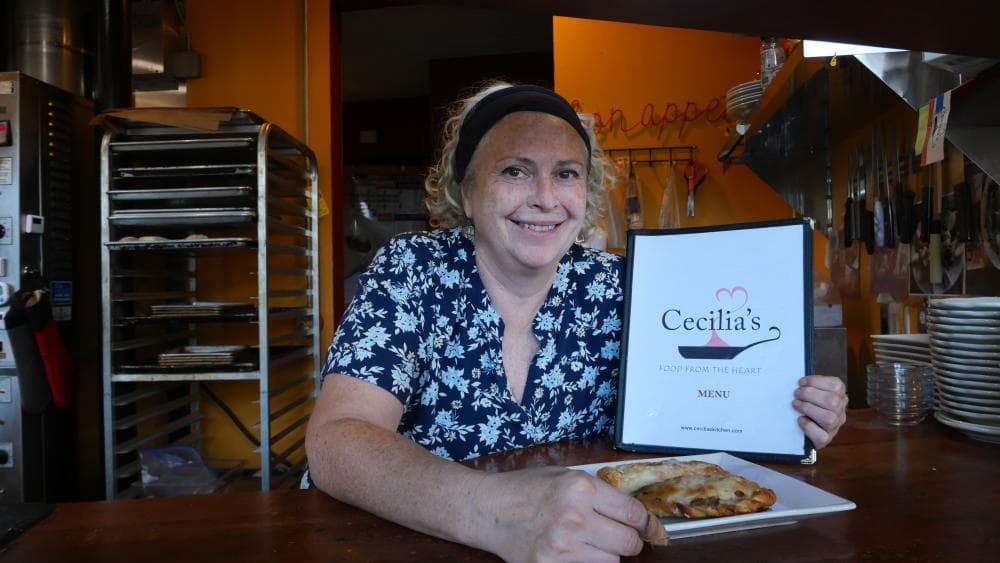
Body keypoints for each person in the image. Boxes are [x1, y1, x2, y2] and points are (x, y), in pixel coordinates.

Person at [305, 82, 848, 561]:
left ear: (584, 195)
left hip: (582, 545)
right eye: (514, 170)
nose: (544, 198)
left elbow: (693, 419)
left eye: (566, 174)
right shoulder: (413, 269)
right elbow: (337, 441)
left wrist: (784, 409)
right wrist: (496, 515)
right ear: (465, 192)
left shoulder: (624, 285)